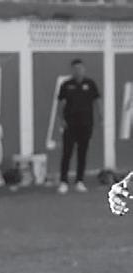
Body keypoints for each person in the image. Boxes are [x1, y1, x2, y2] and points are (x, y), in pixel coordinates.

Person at [52, 58, 101, 194]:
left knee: (82, 152)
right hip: (70, 124)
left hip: (86, 123)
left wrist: (100, 116)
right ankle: (63, 181)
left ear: (84, 69)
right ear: (72, 70)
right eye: (76, 69)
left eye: (80, 68)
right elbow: (60, 104)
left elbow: (97, 100)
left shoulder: (90, 84)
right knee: (67, 152)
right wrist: (61, 119)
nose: (78, 71)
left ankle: (80, 181)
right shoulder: (66, 85)